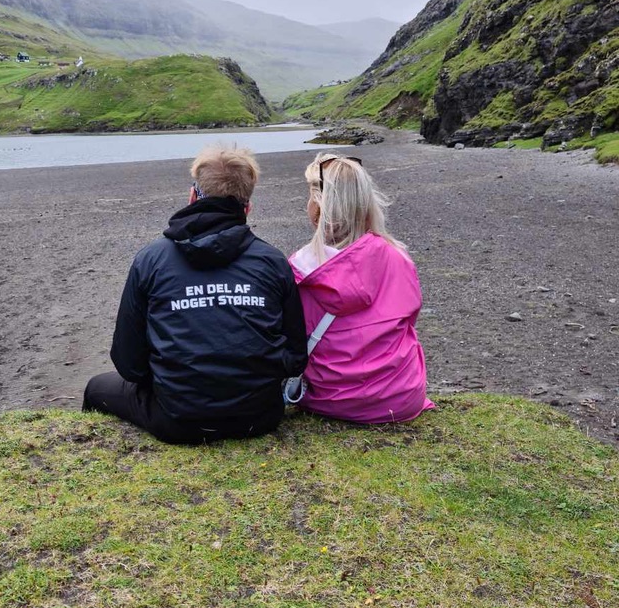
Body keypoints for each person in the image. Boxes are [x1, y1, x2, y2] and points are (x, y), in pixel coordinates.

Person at [83, 146, 308, 442]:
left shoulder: (151, 259)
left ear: (193, 196)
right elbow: (295, 357)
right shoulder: (272, 261)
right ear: (247, 207)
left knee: (95, 388)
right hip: (259, 416)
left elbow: (128, 362)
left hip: (178, 419)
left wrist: (177, 377)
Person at [288, 153, 434, 424]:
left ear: (318, 205)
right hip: (399, 398)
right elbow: (409, 321)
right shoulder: (397, 258)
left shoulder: (298, 268)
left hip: (329, 399)